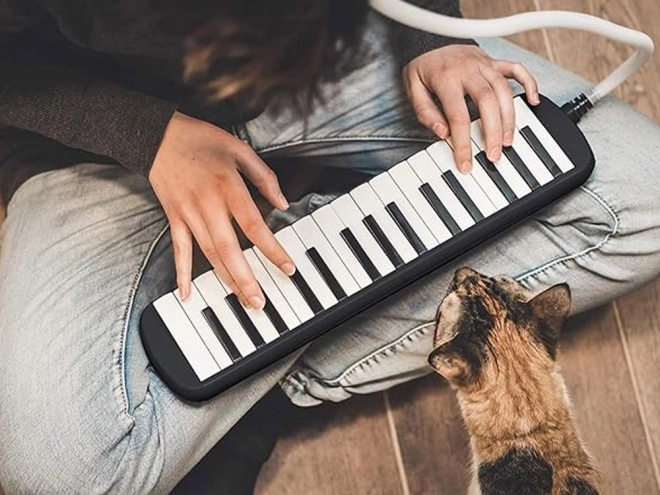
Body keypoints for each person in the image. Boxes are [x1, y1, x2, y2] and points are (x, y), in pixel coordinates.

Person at [0, 0, 659, 492]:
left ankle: (262, 349)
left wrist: (433, 34)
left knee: (643, 191)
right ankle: (292, 295)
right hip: (107, 144)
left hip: (324, 57)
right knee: (65, 472)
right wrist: (147, 137)